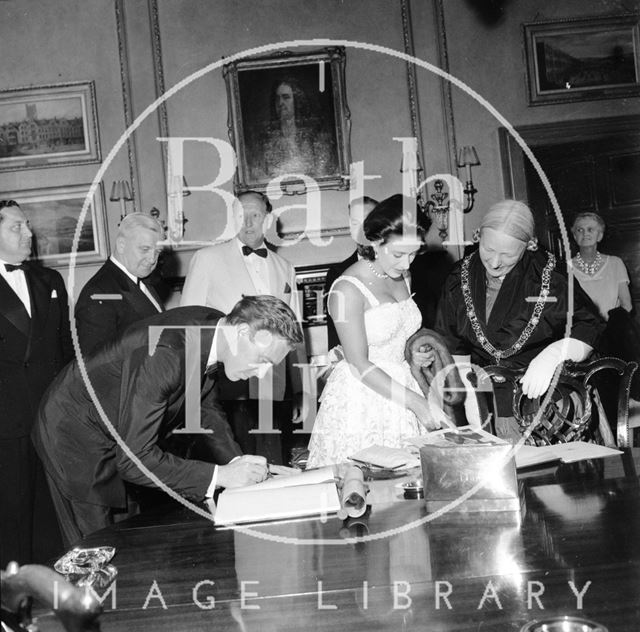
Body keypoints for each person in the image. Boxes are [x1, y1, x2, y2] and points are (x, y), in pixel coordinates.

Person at [32, 296, 303, 544]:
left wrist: (237, 464)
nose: (261, 374)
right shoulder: (165, 354)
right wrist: (222, 475)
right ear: (243, 331)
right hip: (73, 432)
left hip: (115, 427)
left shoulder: (216, 328)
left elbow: (205, 407)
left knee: (130, 540)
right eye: (263, 360)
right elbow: (134, 459)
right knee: (97, 547)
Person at [435, 199, 605, 441]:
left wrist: (555, 354)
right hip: (483, 401)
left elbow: (589, 325)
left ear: (528, 246)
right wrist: (465, 401)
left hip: (547, 401)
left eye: (507, 255)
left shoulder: (550, 277)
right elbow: (452, 342)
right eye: (488, 249)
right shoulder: (458, 276)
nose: (494, 263)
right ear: (478, 237)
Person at [307, 194, 443, 467]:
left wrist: (411, 353)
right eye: (398, 254)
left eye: (413, 253)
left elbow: (399, 333)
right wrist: (416, 403)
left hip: (406, 384)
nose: (406, 264)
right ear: (374, 242)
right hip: (363, 398)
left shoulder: (402, 272)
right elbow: (358, 362)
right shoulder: (346, 289)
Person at [180, 191, 305, 463]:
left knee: (275, 462)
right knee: (238, 462)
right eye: (240, 215)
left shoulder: (285, 267)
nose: (247, 223)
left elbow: (294, 334)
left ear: (268, 220)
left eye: (255, 215)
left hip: (275, 384)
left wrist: (299, 389)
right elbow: (188, 323)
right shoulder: (207, 258)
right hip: (228, 387)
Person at [0, 200, 72, 566]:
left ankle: (56, 593)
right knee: (12, 521)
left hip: (50, 420)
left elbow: (65, 353)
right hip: (6, 426)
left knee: (54, 514)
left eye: (27, 225)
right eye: (16, 227)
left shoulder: (50, 281)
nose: (29, 234)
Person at [75, 212, 165, 356]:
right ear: (121, 245)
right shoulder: (99, 293)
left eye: (158, 251)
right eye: (145, 249)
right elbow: (97, 365)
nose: (152, 259)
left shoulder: (143, 279)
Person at [249, 77, 338, 181]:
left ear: (297, 100)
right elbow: (259, 174)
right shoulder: (265, 139)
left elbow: (323, 173)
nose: (280, 103)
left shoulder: (315, 136)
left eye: (286, 97)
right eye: (277, 98)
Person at [323, 196, 378, 350]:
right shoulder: (337, 274)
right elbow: (334, 333)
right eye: (355, 223)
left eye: (367, 221)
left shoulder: (400, 267)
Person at [570, 212, 632, 320]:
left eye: (590, 229)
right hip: (581, 332)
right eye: (580, 230)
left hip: (612, 330)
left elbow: (627, 305)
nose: (585, 234)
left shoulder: (615, 263)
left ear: (600, 236)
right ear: (575, 236)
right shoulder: (564, 268)